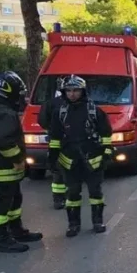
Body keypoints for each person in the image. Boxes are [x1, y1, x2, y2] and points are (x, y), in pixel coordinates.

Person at [0, 71, 43, 253]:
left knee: (14, 199)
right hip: (2, 168)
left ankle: (16, 231)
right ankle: (3, 240)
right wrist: (18, 159)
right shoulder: (3, 113)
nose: (20, 97)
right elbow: (4, 142)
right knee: (1, 204)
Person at [48, 75, 113, 237]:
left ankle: (97, 222)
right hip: (69, 161)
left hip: (93, 159)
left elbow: (106, 134)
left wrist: (106, 153)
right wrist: (52, 158)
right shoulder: (59, 112)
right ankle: (73, 225)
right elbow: (55, 137)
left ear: (83, 91)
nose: (72, 94)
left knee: (95, 192)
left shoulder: (94, 111)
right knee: (72, 193)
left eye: (76, 90)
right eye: (68, 90)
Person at [38, 76, 67, 209]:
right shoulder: (82, 103)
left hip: (56, 141)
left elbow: (42, 120)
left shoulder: (51, 103)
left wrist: (51, 129)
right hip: (74, 142)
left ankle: (58, 199)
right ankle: (71, 196)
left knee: (58, 170)